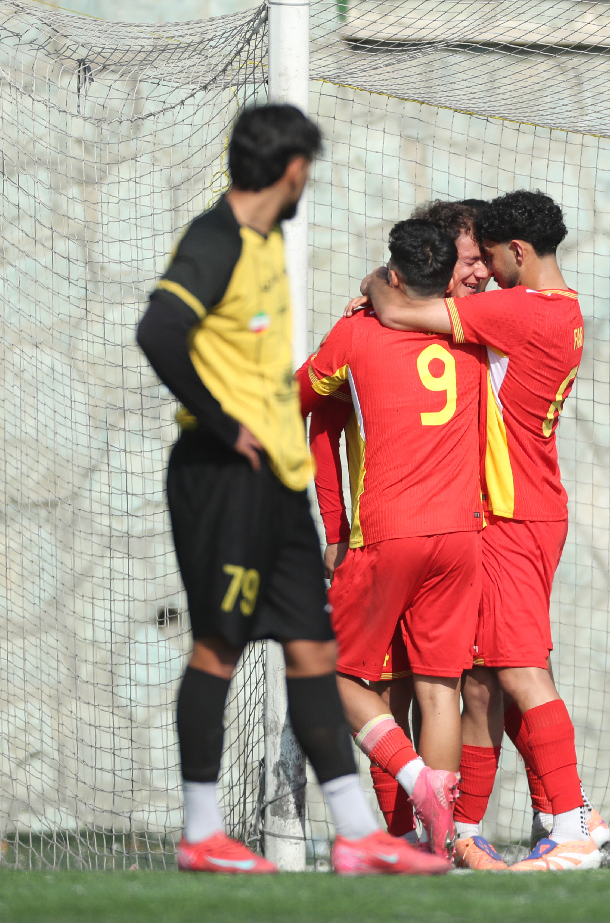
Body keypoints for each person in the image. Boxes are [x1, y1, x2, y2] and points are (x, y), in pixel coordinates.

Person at [135, 104, 449, 876]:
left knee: (314, 650)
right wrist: (221, 424)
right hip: (222, 477)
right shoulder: (215, 240)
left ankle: (355, 833)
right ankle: (201, 832)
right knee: (219, 647)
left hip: (278, 484)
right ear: (293, 169)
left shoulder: (266, 239)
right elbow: (159, 331)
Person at [363, 190, 604, 871]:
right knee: (480, 680)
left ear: (517, 253)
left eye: (490, 259)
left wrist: (379, 280)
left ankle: (573, 824)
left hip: (510, 515)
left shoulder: (518, 309)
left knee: (519, 671)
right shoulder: (557, 309)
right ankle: (465, 831)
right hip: (504, 515)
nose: (486, 274)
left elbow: (397, 309)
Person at [299, 218, 490, 856]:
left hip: (387, 536)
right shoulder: (470, 330)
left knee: (325, 672)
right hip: (459, 538)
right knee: (440, 693)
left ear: (396, 275)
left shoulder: (357, 333)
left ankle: (416, 783)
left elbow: (297, 399)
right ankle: (434, 849)